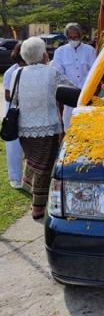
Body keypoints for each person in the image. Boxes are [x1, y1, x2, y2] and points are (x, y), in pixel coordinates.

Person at [10, 37, 74, 219]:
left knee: (33, 162)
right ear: (44, 54)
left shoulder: (17, 73)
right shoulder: (51, 72)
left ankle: (35, 196)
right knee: (44, 167)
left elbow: (13, 98)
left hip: (24, 129)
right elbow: (72, 90)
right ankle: (38, 207)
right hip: (47, 128)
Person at [52, 23, 96, 130]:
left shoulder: (90, 50)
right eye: (70, 37)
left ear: (80, 36)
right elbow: (58, 73)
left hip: (86, 93)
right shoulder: (60, 52)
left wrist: (81, 87)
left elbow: (93, 71)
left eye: (75, 37)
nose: (73, 40)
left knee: (87, 126)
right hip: (68, 95)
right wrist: (72, 88)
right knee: (69, 126)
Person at [3, 43, 25, 188]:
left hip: (28, 113)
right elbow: (7, 96)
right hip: (14, 115)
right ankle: (15, 178)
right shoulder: (11, 72)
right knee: (14, 147)